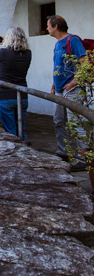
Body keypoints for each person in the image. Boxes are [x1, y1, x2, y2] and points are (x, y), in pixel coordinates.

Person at [47, 14, 89, 164]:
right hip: (59, 89)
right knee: (59, 121)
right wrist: (53, 85)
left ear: (56, 26)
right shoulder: (58, 44)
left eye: (48, 25)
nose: (47, 28)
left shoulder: (73, 40)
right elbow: (57, 67)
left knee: (75, 123)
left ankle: (84, 160)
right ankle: (62, 152)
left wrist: (74, 82)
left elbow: (85, 65)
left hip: (72, 90)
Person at [0, 26, 32, 140]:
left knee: (10, 130)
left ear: (8, 38)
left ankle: (16, 153)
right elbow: (15, 51)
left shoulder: (3, 53)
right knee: (21, 128)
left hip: (5, 95)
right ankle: (26, 151)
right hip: (22, 95)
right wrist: (7, 42)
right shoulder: (28, 53)